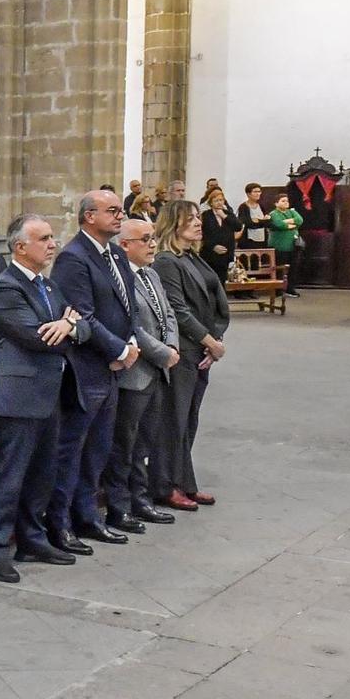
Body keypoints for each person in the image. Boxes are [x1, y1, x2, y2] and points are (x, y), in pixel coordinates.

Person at [0, 215, 81, 584]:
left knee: (42, 473)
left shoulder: (48, 287)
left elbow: (78, 322)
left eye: (52, 238)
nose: (52, 244)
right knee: (10, 476)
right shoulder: (5, 288)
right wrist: (65, 326)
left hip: (49, 392)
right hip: (18, 397)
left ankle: (33, 538)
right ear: (20, 247)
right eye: (44, 238)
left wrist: (68, 324)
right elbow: (36, 337)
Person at [44, 190, 140, 554]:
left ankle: (88, 516)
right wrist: (118, 349)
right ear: (88, 217)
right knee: (72, 450)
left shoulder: (114, 252)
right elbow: (82, 314)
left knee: (98, 449)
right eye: (112, 211)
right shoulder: (73, 258)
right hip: (86, 369)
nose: (120, 216)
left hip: (112, 366)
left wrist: (129, 343)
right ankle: (60, 524)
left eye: (120, 210)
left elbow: (126, 306)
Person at [152, 200, 229, 511]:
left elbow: (212, 302)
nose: (199, 223)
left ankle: (184, 481)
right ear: (174, 225)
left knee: (189, 418)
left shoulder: (192, 257)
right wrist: (209, 340)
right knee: (174, 420)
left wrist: (214, 341)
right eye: (191, 219)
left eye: (198, 218)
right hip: (183, 350)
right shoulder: (167, 261)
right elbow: (177, 309)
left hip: (201, 349)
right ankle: (165, 485)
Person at [110, 219, 180, 531]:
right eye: (145, 239)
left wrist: (172, 345)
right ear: (125, 245)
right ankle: (119, 505)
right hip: (135, 373)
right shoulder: (121, 277)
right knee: (125, 443)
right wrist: (162, 353)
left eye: (153, 238)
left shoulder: (151, 273)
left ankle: (140, 499)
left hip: (158, 372)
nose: (153, 244)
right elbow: (131, 323)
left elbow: (168, 313)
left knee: (145, 443)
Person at [268, 189, 304, 295]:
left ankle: (290, 288)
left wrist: (287, 223)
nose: (286, 203)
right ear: (276, 203)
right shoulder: (273, 213)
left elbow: (300, 220)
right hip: (279, 246)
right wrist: (290, 224)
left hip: (293, 245)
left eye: (287, 201)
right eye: (283, 201)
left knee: (293, 268)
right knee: (280, 268)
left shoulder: (292, 211)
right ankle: (278, 289)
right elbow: (278, 224)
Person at [200, 184, 237, 282]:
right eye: (216, 201)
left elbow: (237, 226)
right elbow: (202, 235)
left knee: (222, 281)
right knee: (210, 280)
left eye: (221, 200)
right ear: (211, 203)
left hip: (226, 254)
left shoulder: (228, 214)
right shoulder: (206, 215)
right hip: (210, 254)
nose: (219, 203)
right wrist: (213, 246)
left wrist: (224, 216)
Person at [235, 184, 269, 256]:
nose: (258, 194)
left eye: (259, 191)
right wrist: (262, 221)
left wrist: (258, 221)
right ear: (248, 194)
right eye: (255, 191)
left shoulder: (261, 206)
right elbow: (248, 223)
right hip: (249, 240)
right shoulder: (243, 207)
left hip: (262, 238)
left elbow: (267, 221)